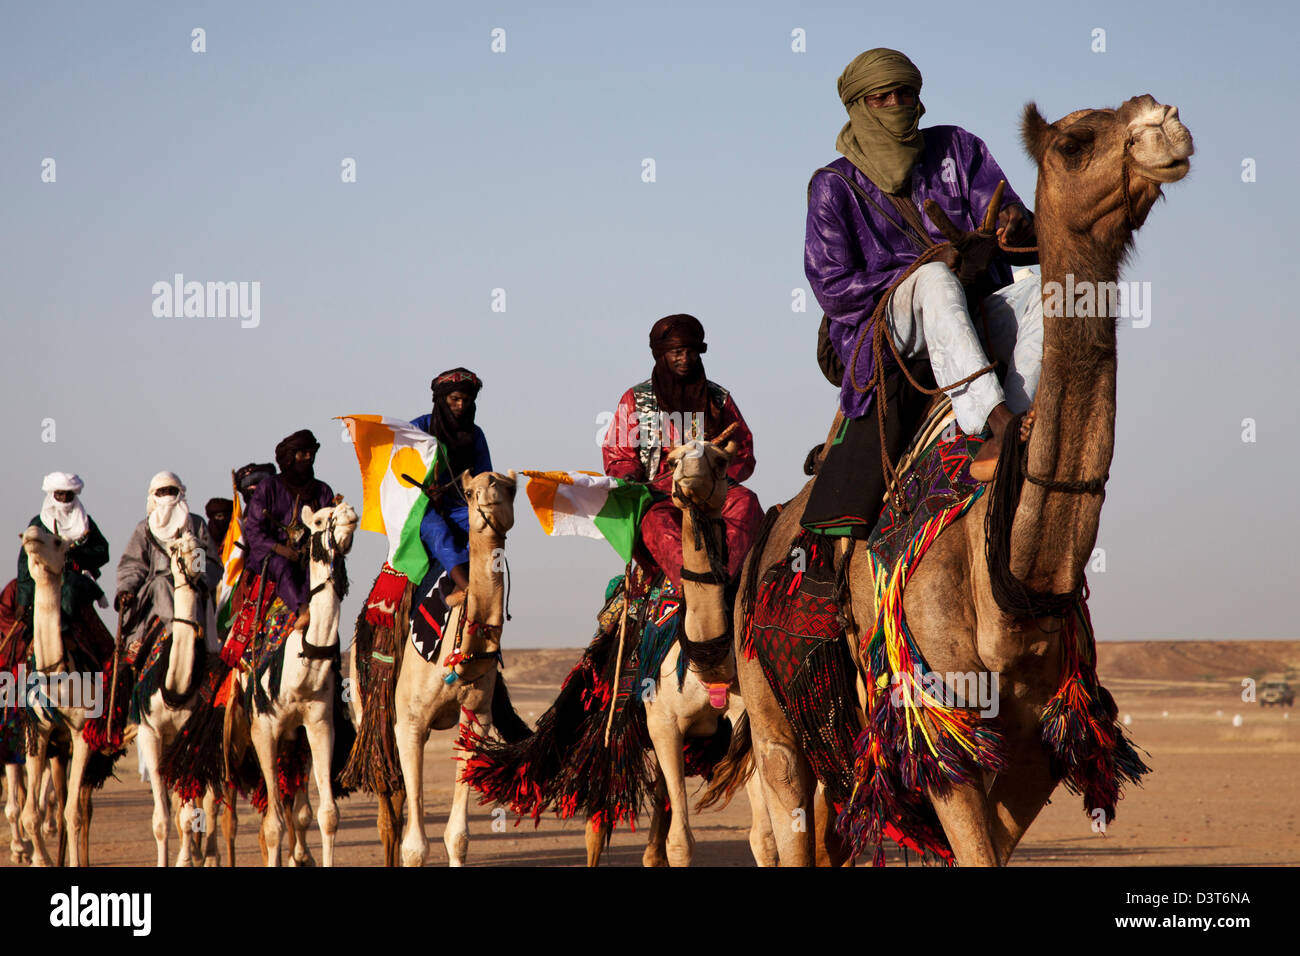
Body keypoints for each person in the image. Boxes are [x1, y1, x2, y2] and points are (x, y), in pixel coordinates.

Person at [802, 48, 1041, 535]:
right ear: (859, 106)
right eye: (881, 97)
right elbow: (833, 288)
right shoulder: (833, 186)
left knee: (1050, 291)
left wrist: (1016, 229)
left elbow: (1024, 238)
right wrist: (923, 266)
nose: (896, 104)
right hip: (885, 327)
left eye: (905, 93)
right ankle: (994, 424)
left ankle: (1021, 420)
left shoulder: (958, 149)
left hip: (973, 309)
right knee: (933, 281)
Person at [602, 314, 763, 588]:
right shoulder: (636, 399)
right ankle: (690, 586)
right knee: (655, 522)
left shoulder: (718, 398)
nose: (685, 359)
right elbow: (618, 454)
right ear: (662, 355)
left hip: (713, 492)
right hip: (662, 495)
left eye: (691, 352)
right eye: (677, 352)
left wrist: (720, 466)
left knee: (747, 503)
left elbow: (743, 448)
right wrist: (630, 477)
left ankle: (725, 579)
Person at [115, 472, 222, 660]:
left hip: (191, 586)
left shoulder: (195, 525)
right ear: (154, 496)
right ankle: (175, 631)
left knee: (189, 592)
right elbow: (133, 565)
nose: (167, 497)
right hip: (155, 589)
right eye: (162, 492)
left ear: (180, 493)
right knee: (162, 582)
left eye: (171, 491)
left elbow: (209, 561)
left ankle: (193, 636)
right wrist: (127, 588)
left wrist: (200, 581)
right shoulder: (145, 529)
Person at [410, 368, 493, 605]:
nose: (460, 405)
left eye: (466, 400)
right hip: (421, 504)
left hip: (460, 505)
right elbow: (399, 470)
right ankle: (467, 589)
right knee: (435, 529)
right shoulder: (418, 429)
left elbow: (484, 478)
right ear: (442, 399)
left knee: (485, 528)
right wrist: (426, 492)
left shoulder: (475, 435)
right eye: (454, 399)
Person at [240, 430, 335, 630]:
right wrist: (281, 549)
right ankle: (302, 610)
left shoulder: (323, 491)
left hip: (310, 554)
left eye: (311, 453)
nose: (309, 458)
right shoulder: (268, 488)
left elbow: (330, 529)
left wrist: (308, 550)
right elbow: (254, 529)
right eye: (303, 454)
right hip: (271, 556)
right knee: (282, 566)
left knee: (322, 571)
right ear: (290, 458)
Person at [15, 472, 110, 626]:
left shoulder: (85, 523)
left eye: (68, 495)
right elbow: (25, 560)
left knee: (69, 588)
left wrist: (76, 553)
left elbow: (103, 552)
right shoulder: (39, 525)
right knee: (31, 626)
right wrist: (23, 601)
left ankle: (64, 630)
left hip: (76, 578)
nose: (64, 499)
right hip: (43, 581)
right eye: (60, 494)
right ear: (52, 495)